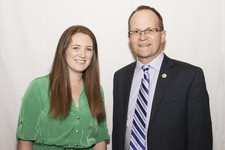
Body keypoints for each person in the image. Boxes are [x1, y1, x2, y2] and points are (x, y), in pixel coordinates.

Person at [112, 5, 212, 150]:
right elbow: (118, 134)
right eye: (136, 31)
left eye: (150, 30)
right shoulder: (120, 77)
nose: (142, 37)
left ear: (163, 35)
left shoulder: (190, 77)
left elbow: (200, 140)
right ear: (129, 38)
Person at [16, 25, 109, 150]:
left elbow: (100, 140)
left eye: (88, 49)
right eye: (76, 48)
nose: (82, 54)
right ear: (63, 50)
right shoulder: (39, 88)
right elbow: (25, 142)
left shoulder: (97, 91)